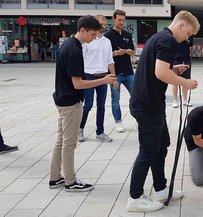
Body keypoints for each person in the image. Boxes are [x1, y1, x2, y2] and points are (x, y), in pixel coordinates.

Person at [127, 10, 200, 212]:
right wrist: (185, 82)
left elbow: (158, 69)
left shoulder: (160, 37)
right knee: (148, 151)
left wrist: (173, 70)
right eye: (188, 35)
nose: (187, 39)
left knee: (161, 146)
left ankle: (160, 189)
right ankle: (134, 197)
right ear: (181, 26)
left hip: (151, 103)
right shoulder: (168, 41)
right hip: (147, 105)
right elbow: (160, 73)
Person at [50, 15, 116, 192]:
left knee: (61, 140)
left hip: (63, 99)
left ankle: (55, 177)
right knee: (69, 143)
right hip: (70, 102)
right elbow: (78, 83)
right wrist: (103, 80)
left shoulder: (71, 45)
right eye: (92, 34)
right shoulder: (74, 50)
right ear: (82, 30)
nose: (94, 38)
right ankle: (70, 181)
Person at [78, 15, 117, 143]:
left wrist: (114, 78)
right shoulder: (87, 41)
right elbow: (81, 60)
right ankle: (80, 129)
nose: (104, 26)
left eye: (105, 24)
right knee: (87, 105)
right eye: (101, 24)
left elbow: (110, 61)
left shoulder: (107, 41)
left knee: (101, 106)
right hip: (89, 76)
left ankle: (100, 132)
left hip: (103, 77)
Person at [104, 9, 136, 133]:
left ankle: (139, 119)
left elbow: (133, 52)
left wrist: (129, 52)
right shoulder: (107, 36)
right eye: (119, 20)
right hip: (115, 73)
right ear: (113, 19)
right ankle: (118, 122)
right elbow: (105, 55)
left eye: (123, 20)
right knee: (115, 99)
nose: (122, 22)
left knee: (136, 96)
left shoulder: (128, 35)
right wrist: (117, 53)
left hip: (128, 72)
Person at [172, 36, 194, 108]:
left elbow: (190, 46)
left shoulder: (190, 36)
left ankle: (185, 99)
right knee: (175, 80)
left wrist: (187, 39)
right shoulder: (177, 34)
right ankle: (175, 100)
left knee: (186, 79)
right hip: (176, 59)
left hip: (186, 59)